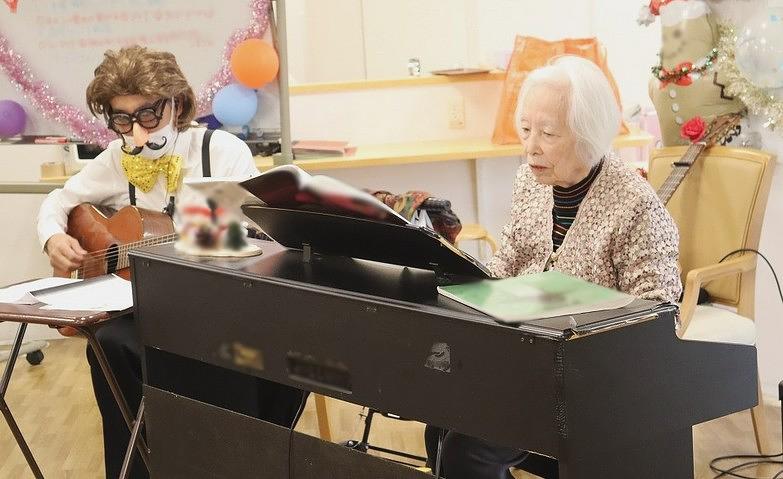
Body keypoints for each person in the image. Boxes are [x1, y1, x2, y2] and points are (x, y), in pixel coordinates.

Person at [37, 45, 304, 479]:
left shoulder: (222, 151)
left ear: (176, 104)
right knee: (109, 343)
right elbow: (58, 201)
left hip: (223, 304)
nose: (137, 133)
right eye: (122, 119)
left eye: (148, 115)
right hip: (146, 305)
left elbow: (256, 238)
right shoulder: (115, 160)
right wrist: (53, 238)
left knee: (220, 348)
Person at [424, 55, 683, 479]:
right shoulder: (530, 181)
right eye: (526, 130)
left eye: (548, 134)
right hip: (522, 359)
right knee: (440, 427)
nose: (531, 147)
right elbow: (507, 262)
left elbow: (657, 315)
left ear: (588, 135)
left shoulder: (636, 206)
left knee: (466, 451)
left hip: (586, 381)